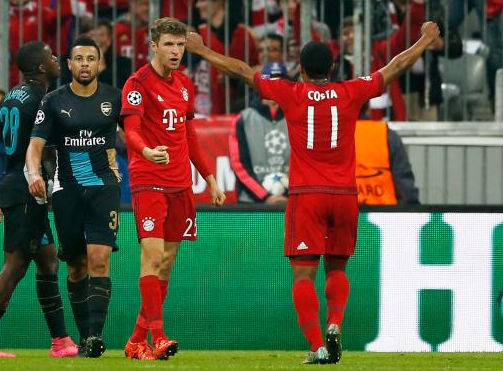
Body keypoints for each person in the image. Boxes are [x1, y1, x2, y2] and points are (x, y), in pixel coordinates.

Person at [186, 20, 440, 364]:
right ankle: (335, 323)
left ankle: (318, 344)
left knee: (303, 274)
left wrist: (201, 50)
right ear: (333, 67)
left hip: (307, 195)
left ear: (301, 69)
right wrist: (424, 40)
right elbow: (395, 66)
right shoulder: (352, 90)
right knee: (337, 270)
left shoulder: (291, 93)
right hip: (345, 196)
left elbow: (243, 70)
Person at [120, 17, 226, 361]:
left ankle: (136, 341)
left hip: (181, 183)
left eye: (180, 44)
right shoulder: (137, 84)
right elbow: (131, 129)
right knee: (151, 258)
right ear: (154, 46)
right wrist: (145, 150)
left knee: (165, 264)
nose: (176, 51)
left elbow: (189, 135)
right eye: (168, 44)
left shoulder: (183, 85)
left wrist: (208, 177)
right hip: (149, 180)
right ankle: (159, 336)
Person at [0, 41, 77, 358]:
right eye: (51, 57)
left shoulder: (13, 96)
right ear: (42, 68)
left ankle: (61, 342)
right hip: (30, 187)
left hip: (16, 185)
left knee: (47, 259)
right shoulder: (43, 100)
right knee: (14, 265)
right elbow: (49, 147)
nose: (57, 60)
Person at [26, 35, 122, 358]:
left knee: (99, 259)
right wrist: (35, 174)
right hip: (66, 191)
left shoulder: (114, 98)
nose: (84, 64)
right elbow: (35, 146)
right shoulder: (53, 100)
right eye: (78, 59)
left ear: (99, 63)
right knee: (76, 266)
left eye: (90, 59)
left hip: (103, 188)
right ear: (69, 64)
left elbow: (132, 134)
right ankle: (84, 339)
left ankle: (95, 336)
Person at [230, 62, 289, 204]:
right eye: (271, 79)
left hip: (292, 201)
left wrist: (289, 195)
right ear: (262, 83)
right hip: (252, 203)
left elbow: (306, 163)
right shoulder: (243, 119)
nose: (276, 84)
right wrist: (265, 197)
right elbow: (239, 165)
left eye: (281, 80)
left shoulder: (298, 116)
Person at [355, 119, 420, 205]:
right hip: (384, 214)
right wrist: (413, 210)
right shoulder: (386, 134)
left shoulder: (334, 133)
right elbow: (404, 184)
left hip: (342, 215)